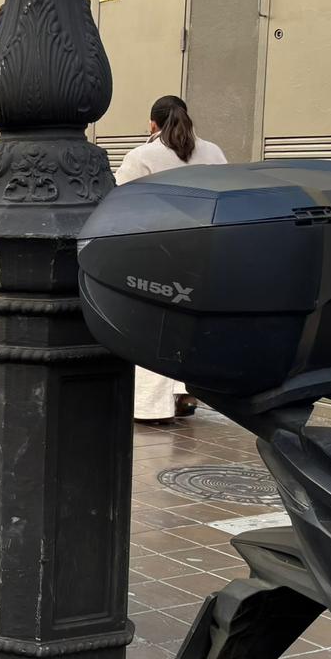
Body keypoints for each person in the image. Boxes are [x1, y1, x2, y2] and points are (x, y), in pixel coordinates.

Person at [116, 95, 228, 423]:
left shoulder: (142, 156)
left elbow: (119, 201)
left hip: (158, 251)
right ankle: (186, 394)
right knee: (190, 323)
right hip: (206, 251)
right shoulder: (213, 152)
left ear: (152, 124)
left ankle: (151, 407)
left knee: (153, 325)